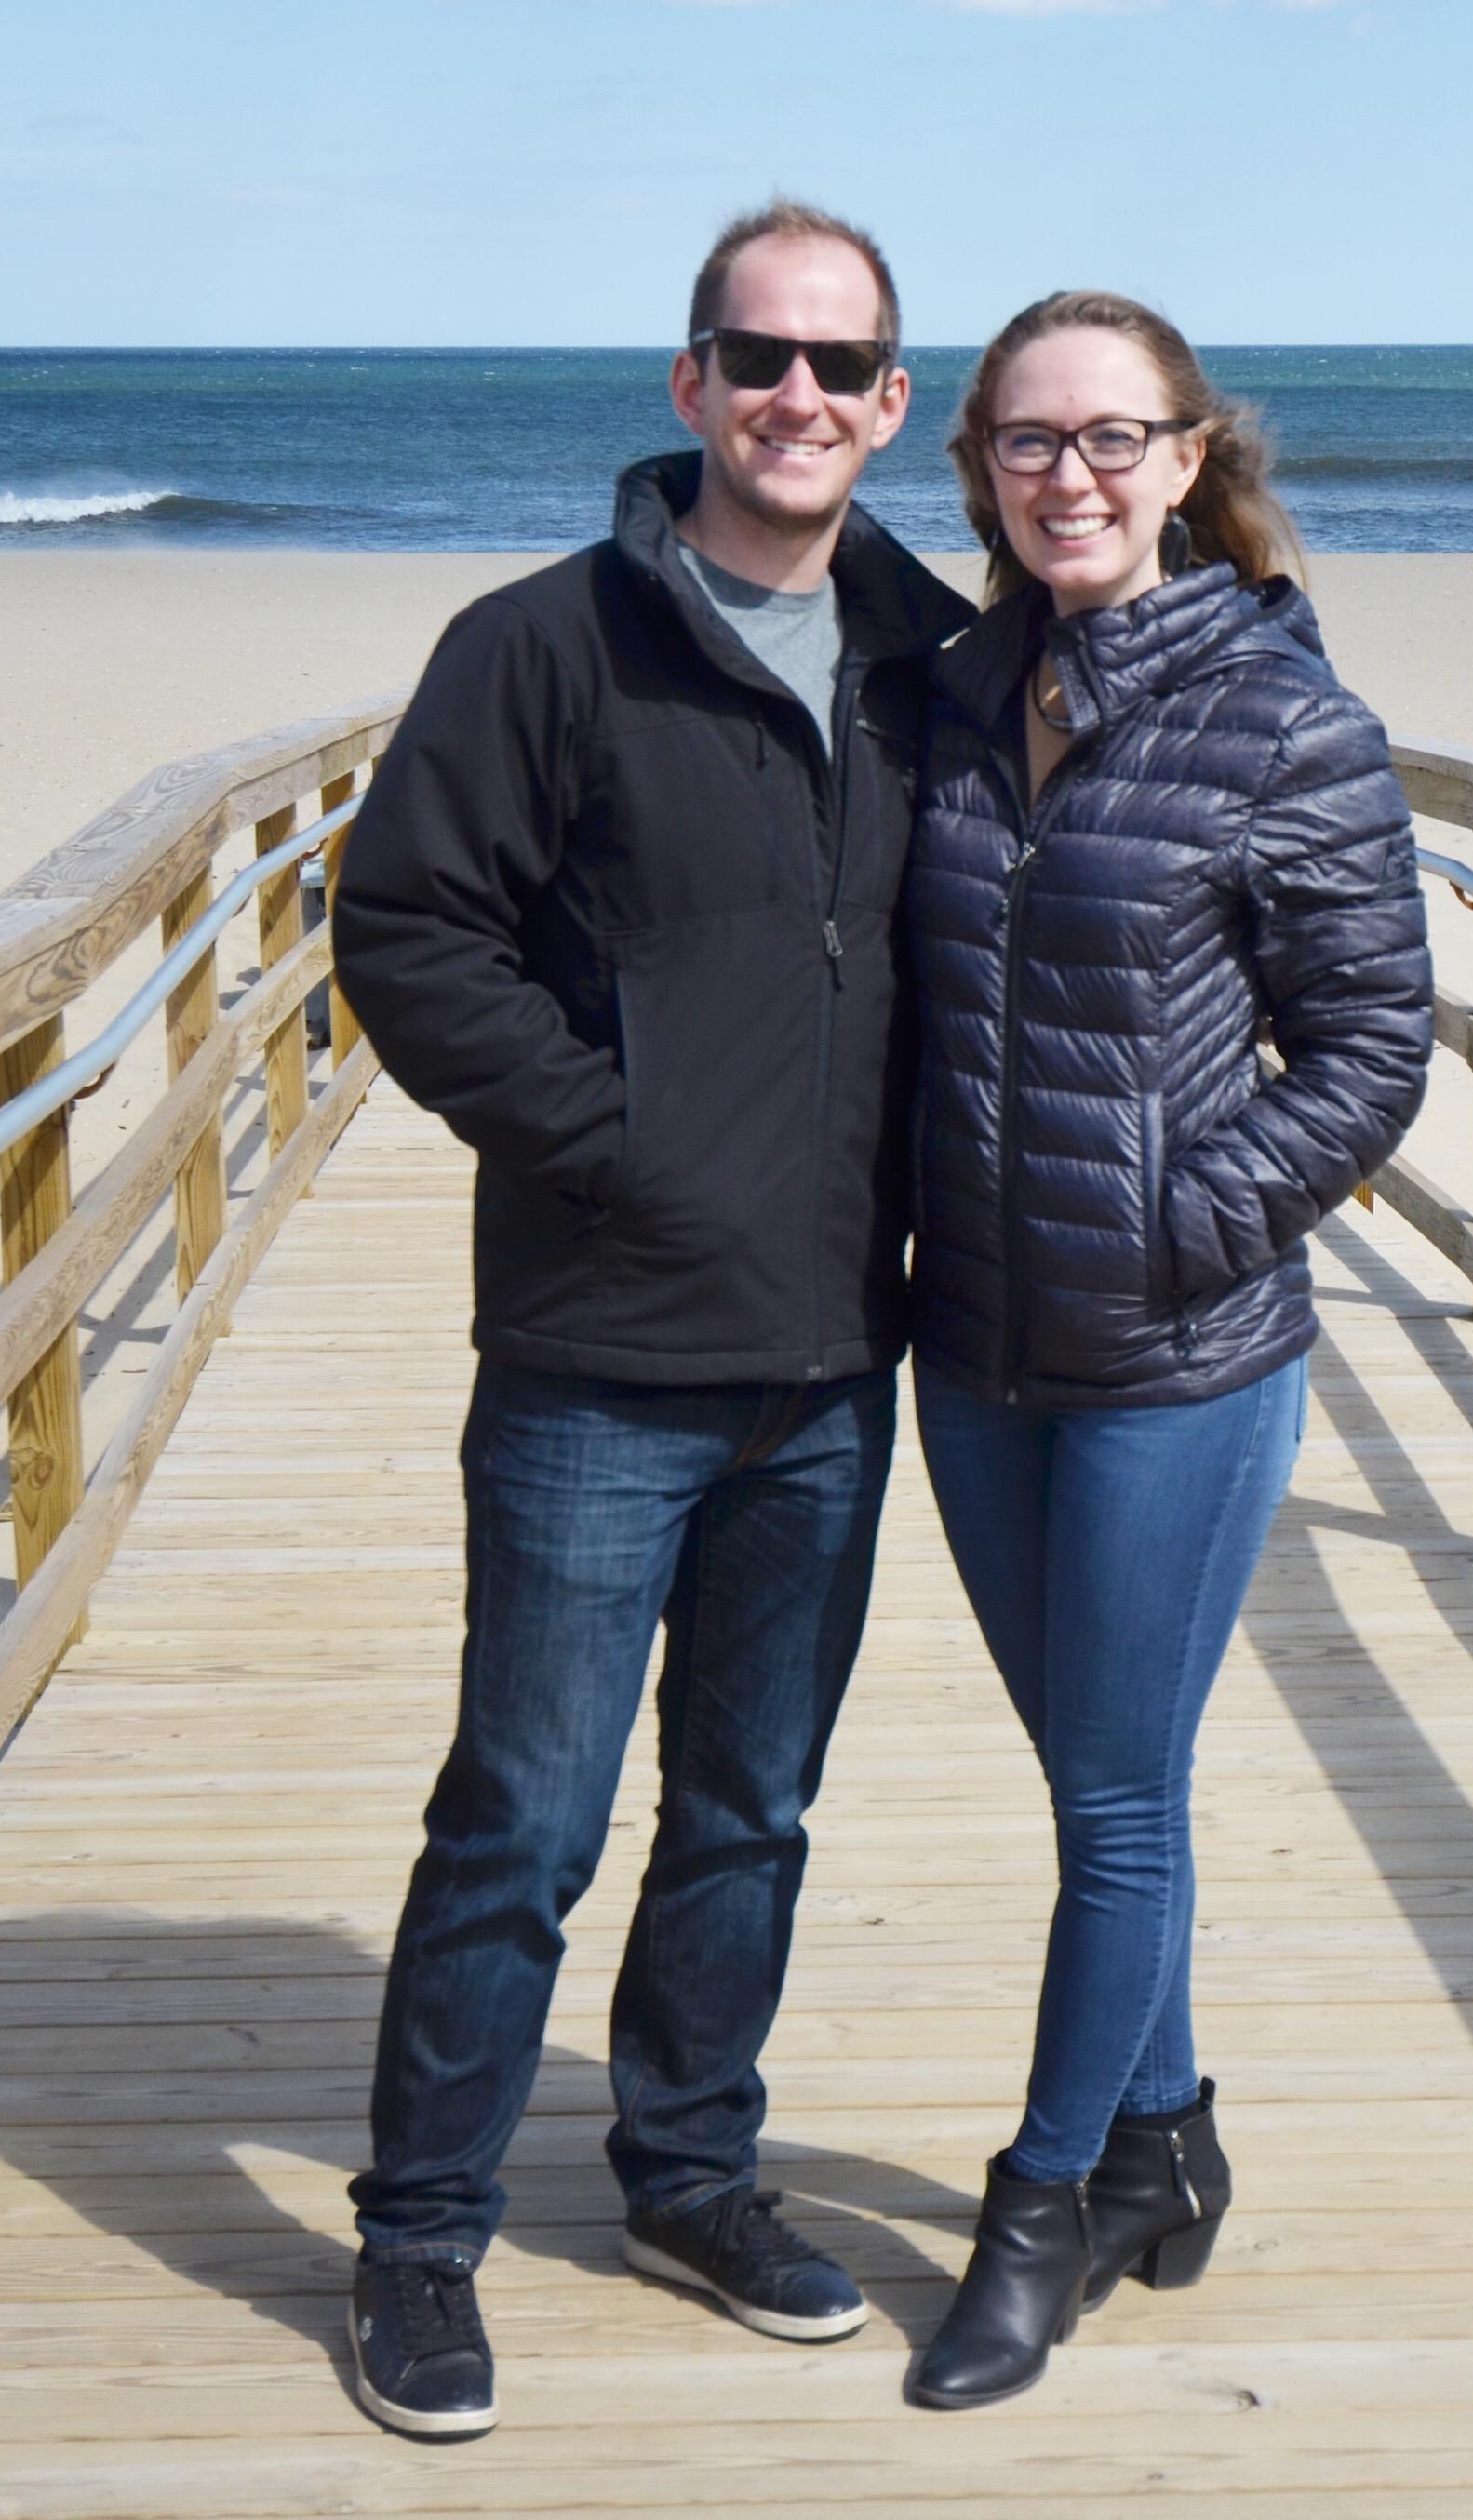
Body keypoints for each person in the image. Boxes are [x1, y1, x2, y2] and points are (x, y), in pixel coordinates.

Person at [330, 199, 973, 2441]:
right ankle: (418, 2234)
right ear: (688, 383)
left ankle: (690, 2170)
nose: (800, 396)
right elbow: (409, 930)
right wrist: (609, 1134)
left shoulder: (932, 658)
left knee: (748, 1809)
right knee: (524, 1809)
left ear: (893, 405)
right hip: (600, 1349)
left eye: (845, 365)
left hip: (830, 1363)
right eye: (758, 356)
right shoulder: (542, 645)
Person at [901, 292, 1434, 2410]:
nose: (1072, 475)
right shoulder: (941, 696)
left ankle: (1040, 2209)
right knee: (1101, 1778)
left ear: (1190, 455)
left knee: (1114, 1801)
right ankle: (1168, 2128)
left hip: (1180, 1360)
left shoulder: (1283, 718)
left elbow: (1374, 1046)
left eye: (1113, 436)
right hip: (972, 1356)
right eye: (1029, 441)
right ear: (979, 466)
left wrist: (1169, 1222)